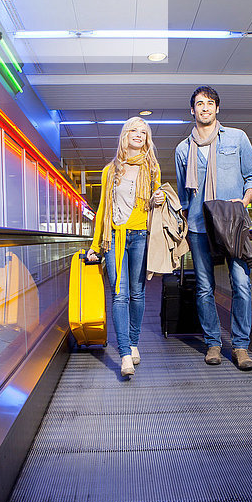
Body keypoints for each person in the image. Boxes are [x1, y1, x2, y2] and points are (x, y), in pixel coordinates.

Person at [175, 86, 252, 370]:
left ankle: (240, 346)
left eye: (210, 103)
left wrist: (244, 199)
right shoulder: (182, 149)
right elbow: (184, 195)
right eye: (199, 104)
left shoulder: (237, 138)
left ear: (217, 109)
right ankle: (213, 342)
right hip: (200, 227)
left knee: (241, 285)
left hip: (232, 223)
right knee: (204, 288)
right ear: (192, 110)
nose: (205, 108)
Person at [87, 117, 164, 376]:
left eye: (144, 132)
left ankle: (133, 342)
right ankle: (124, 355)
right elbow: (102, 210)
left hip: (141, 235)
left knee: (137, 294)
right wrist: (95, 245)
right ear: (125, 135)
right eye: (134, 130)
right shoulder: (111, 170)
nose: (139, 135)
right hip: (114, 237)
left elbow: (155, 207)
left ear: (147, 139)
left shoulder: (152, 169)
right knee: (119, 295)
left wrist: (158, 198)